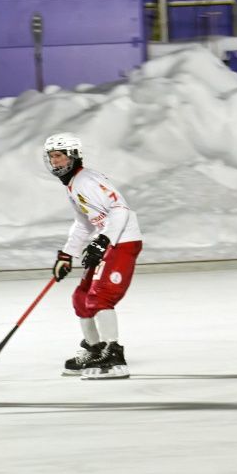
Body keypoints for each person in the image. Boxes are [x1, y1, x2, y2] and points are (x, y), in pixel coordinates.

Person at [44, 134, 143, 380]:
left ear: (73, 155)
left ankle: (113, 353)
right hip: (109, 241)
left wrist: (104, 241)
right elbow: (84, 224)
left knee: (100, 296)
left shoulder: (87, 180)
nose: (54, 162)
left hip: (123, 241)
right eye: (51, 157)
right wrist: (68, 254)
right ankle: (95, 348)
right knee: (81, 298)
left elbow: (120, 209)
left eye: (59, 155)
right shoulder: (73, 184)